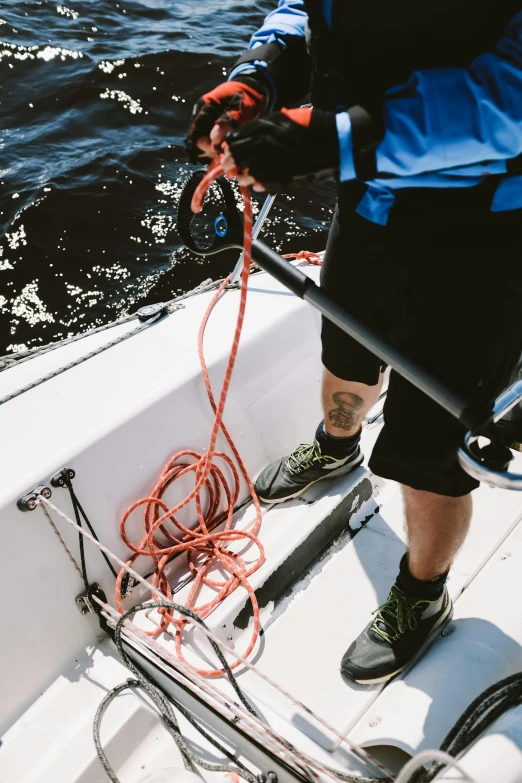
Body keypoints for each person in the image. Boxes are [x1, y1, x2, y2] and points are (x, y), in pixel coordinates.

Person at [185, 1, 522, 685]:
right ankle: (338, 446)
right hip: (370, 204)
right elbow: (306, 9)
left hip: (478, 235)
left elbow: (510, 95)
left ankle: (422, 591)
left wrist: (342, 139)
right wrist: (261, 74)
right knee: (345, 350)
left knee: (428, 452)